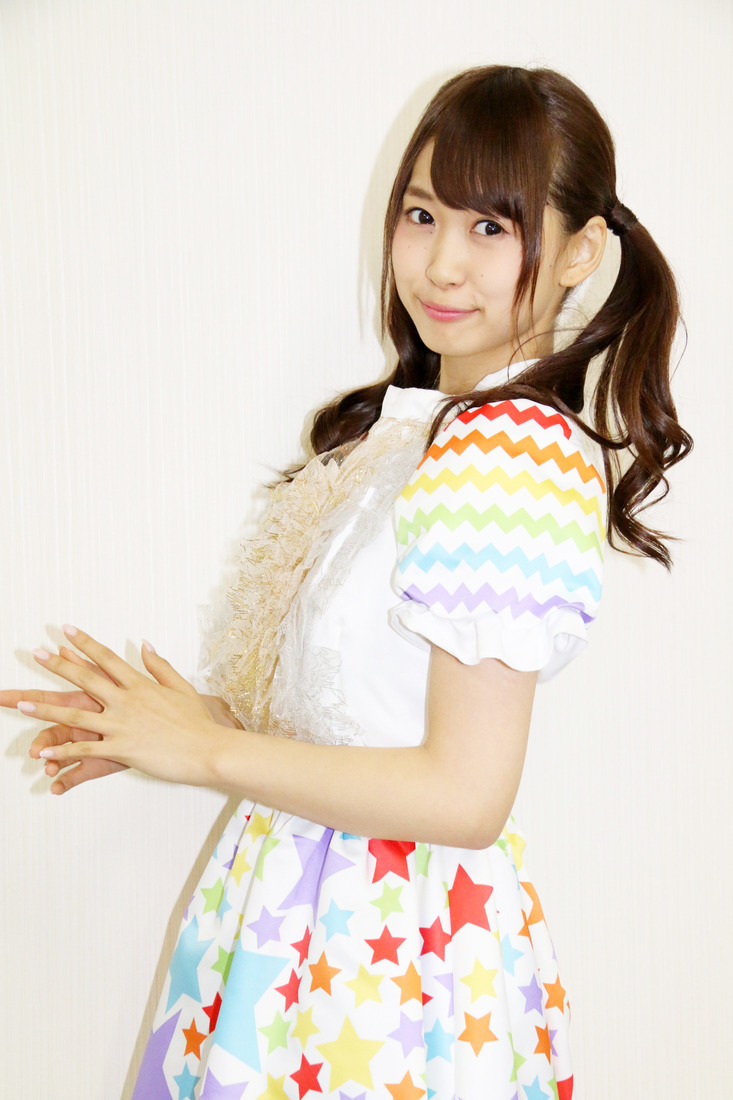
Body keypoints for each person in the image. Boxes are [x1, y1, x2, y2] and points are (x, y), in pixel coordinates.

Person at [1, 65, 691, 1099]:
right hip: (311, 929)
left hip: (386, 962)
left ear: (580, 251)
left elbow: (465, 794)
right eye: (422, 214)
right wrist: (178, 722)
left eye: (490, 227)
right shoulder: (423, 432)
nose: (441, 262)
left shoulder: (510, 449)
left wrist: (205, 751)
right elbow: (365, 725)